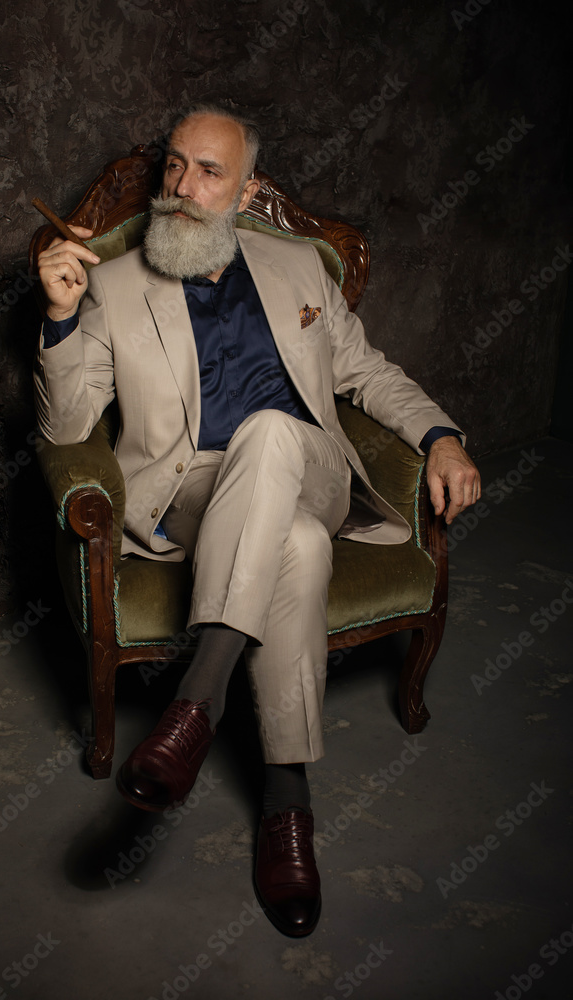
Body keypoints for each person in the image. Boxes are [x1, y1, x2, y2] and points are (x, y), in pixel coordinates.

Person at [34, 104, 480, 937]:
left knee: (273, 435)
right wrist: (60, 317)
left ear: (243, 193)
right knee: (299, 549)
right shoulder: (113, 283)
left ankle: (192, 705)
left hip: (306, 467)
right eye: (173, 165)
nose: (180, 187)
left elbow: (366, 374)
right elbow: (64, 432)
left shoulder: (297, 270)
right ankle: (287, 803)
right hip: (196, 497)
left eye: (207, 172)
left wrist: (441, 436)